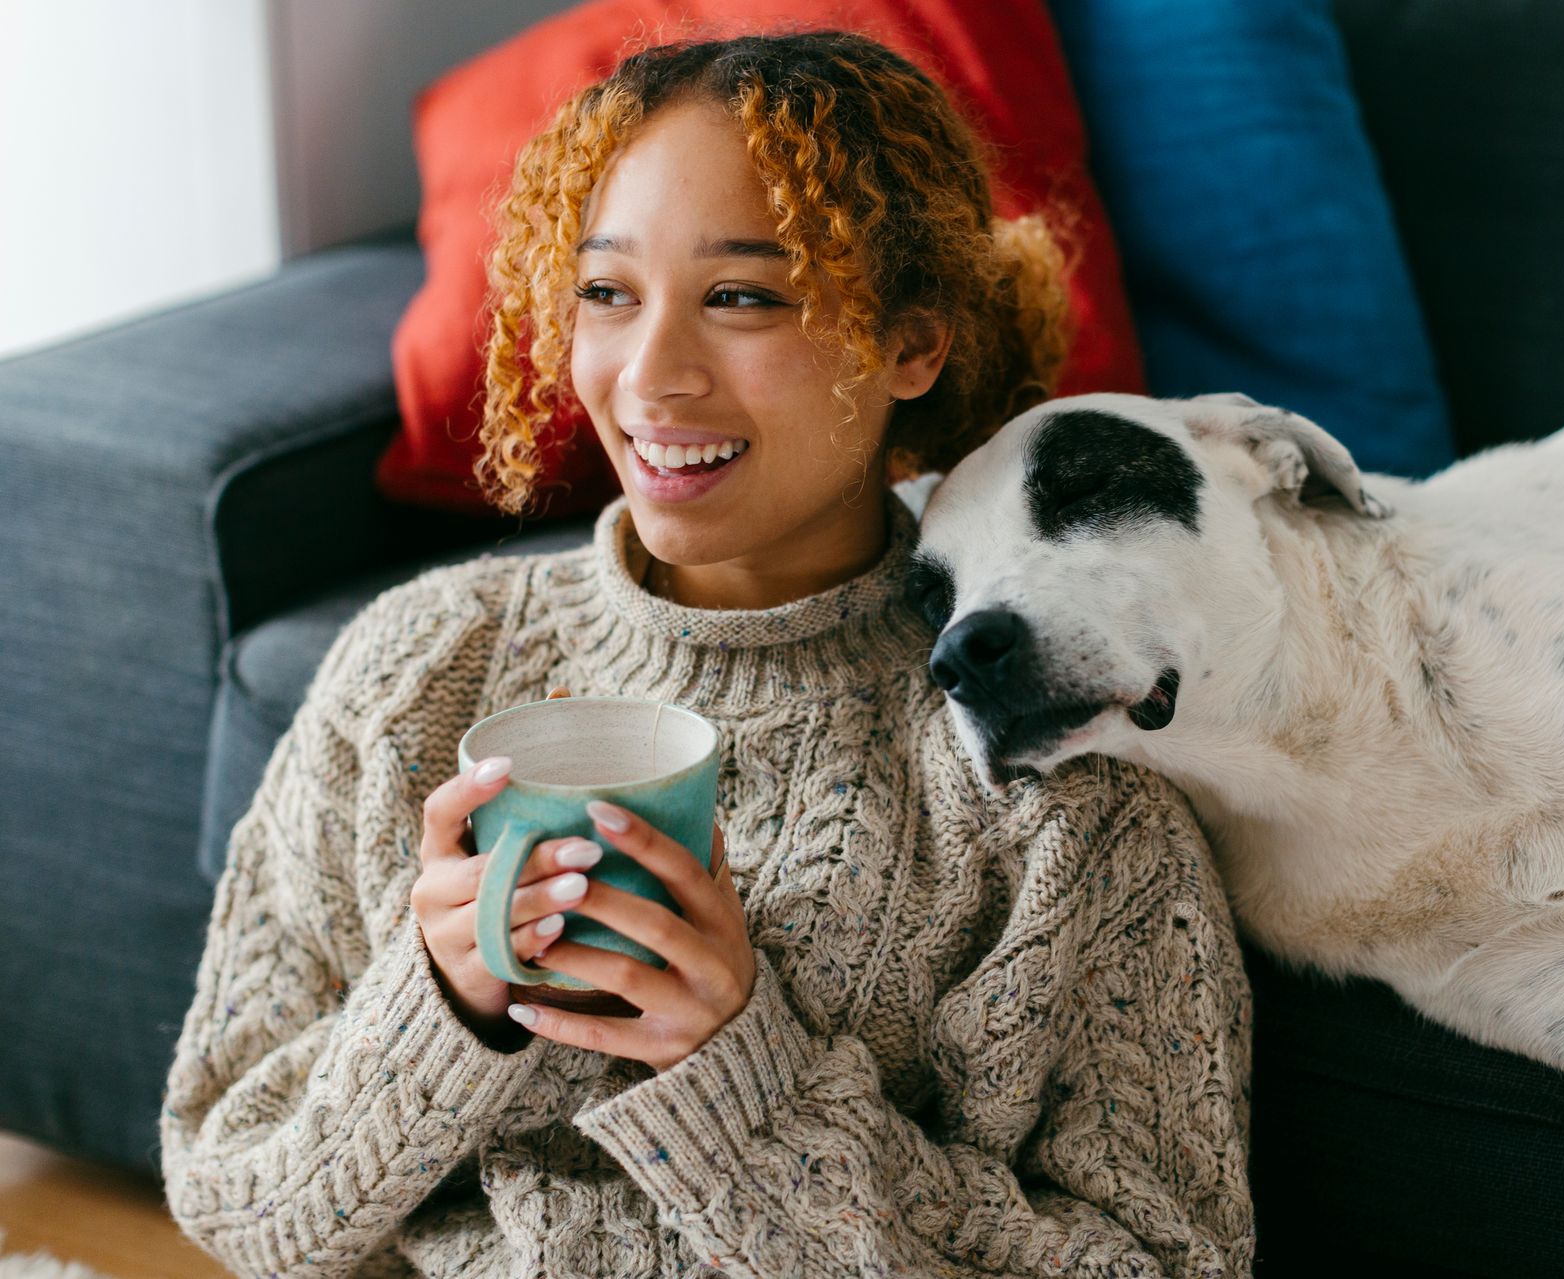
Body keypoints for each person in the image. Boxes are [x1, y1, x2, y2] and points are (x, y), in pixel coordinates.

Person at [159, 30, 1255, 1277]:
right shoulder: (419, 669)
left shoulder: (1059, 785)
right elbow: (230, 1191)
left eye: (742, 296)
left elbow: (1169, 1257)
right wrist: (442, 1008)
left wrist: (739, 1080)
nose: (652, 376)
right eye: (609, 293)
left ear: (912, 343)